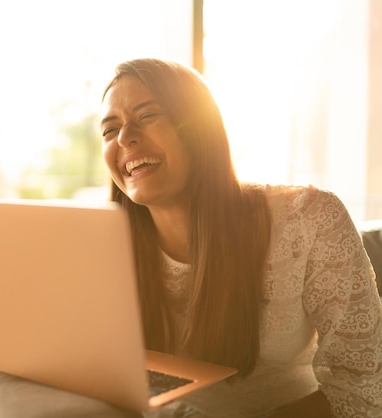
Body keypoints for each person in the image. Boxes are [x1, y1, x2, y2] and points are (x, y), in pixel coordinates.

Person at [100, 58, 382, 417]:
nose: (125, 137)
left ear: (198, 128)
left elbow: (363, 388)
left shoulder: (309, 219)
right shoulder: (102, 246)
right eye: (109, 129)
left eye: (148, 115)